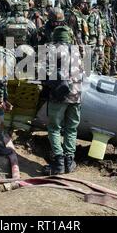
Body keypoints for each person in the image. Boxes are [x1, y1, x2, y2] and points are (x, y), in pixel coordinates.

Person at [42, 26, 83, 175]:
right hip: (76, 95)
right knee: (71, 129)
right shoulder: (77, 50)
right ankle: (69, 162)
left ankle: (59, 162)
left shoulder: (50, 49)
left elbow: (41, 73)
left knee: (54, 128)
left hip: (58, 97)